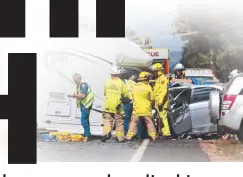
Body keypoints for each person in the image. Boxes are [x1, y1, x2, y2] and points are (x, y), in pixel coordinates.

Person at [101, 65, 130, 143]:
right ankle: (120, 138)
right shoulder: (121, 83)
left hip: (107, 105)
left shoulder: (107, 81)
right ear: (119, 74)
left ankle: (106, 134)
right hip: (117, 106)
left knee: (107, 120)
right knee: (119, 122)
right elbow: (126, 95)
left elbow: (104, 93)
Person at [126, 72, 157, 141]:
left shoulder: (135, 86)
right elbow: (152, 98)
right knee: (149, 123)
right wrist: (152, 105)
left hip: (136, 110)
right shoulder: (148, 87)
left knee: (133, 123)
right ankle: (153, 136)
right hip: (146, 110)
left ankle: (129, 137)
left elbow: (132, 96)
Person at [68, 73, 95, 141]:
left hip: (86, 104)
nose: (74, 81)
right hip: (84, 104)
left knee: (83, 120)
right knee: (86, 119)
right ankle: (86, 134)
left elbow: (83, 95)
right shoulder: (79, 85)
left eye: (75, 80)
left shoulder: (83, 85)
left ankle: (88, 135)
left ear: (78, 79)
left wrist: (73, 95)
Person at [149, 63, 171, 139]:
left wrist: (160, 101)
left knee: (163, 117)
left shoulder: (162, 79)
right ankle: (163, 132)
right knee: (160, 118)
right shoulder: (158, 79)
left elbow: (163, 91)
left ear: (159, 71)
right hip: (158, 102)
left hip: (161, 103)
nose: (154, 73)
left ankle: (166, 133)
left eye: (155, 71)